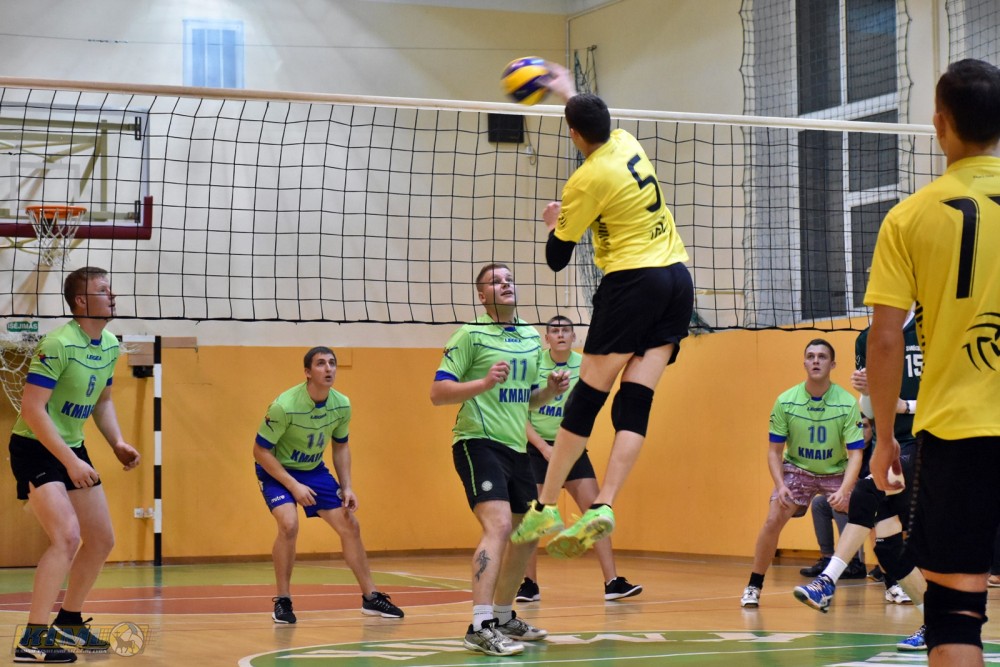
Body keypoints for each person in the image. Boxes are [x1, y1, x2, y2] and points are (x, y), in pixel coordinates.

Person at [510, 62, 694, 559]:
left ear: (574, 134)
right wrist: (567, 91)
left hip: (633, 284)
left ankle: (546, 505)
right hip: (678, 281)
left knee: (586, 399)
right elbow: (592, 123)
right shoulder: (627, 142)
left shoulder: (584, 180)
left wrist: (555, 222)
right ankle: (604, 504)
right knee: (635, 400)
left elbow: (556, 259)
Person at [865, 58, 1000, 666]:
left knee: (953, 618)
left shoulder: (909, 217)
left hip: (958, 435)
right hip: (959, 431)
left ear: (939, 122)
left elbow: (885, 339)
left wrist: (884, 438)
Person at [430, 262, 569, 656]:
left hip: (515, 447)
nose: (505, 284)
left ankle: (505, 615)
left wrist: (550, 390)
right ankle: (480, 624)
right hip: (477, 442)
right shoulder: (469, 335)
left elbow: (527, 399)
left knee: (528, 533)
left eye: (509, 279)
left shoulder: (530, 336)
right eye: (495, 281)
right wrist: (484, 382)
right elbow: (438, 394)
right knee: (500, 525)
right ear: (482, 295)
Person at [9, 266, 141, 663]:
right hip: (35, 447)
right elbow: (32, 410)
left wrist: (117, 442)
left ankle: (69, 622)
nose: (112, 296)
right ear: (81, 301)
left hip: (72, 447)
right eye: (103, 290)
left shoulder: (111, 345)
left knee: (101, 540)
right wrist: (70, 463)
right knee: (66, 537)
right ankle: (33, 638)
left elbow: (103, 401)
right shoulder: (58, 344)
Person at [794, 315, 929, 651]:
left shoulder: (930, 327)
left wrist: (906, 405)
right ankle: (936, 624)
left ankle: (827, 580)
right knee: (888, 548)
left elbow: (953, 392)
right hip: (889, 443)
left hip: (929, 440)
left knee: (867, 491)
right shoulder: (867, 339)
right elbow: (869, 411)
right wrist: (868, 394)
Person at [254, 347, 403, 624]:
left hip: (313, 471)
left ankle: (371, 597)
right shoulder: (283, 406)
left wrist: (347, 486)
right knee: (289, 524)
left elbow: (341, 446)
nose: (328, 368)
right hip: (277, 471)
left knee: (350, 525)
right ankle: (283, 601)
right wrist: (293, 486)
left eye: (332, 363)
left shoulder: (342, 404)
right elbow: (260, 451)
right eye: (321, 363)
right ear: (308, 372)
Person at [516, 315, 643, 603]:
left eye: (566, 330)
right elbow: (520, 414)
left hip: (572, 448)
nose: (560, 334)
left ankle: (612, 582)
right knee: (533, 517)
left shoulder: (585, 365)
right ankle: (529, 584)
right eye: (554, 330)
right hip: (537, 450)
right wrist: (544, 448)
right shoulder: (534, 365)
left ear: (574, 337)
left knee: (595, 512)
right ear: (547, 338)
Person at [740, 339, 864, 608]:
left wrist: (845, 490)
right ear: (805, 362)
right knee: (773, 518)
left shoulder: (846, 402)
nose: (816, 360)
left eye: (822, 356)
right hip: (798, 470)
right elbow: (774, 452)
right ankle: (754, 585)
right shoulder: (786, 401)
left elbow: (856, 454)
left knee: (870, 515)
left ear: (833, 364)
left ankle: (891, 584)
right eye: (810, 356)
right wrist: (780, 484)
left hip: (836, 471)